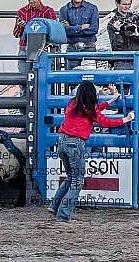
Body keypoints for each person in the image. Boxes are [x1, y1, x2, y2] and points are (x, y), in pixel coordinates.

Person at [47, 81, 134, 223]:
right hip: (75, 144)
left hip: (61, 141)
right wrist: (126, 119)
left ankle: (54, 205)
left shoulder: (72, 103)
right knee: (77, 180)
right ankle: (63, 215)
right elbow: (104, 121)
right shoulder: (89, 108)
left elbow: (92, 112)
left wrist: (109, 102)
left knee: (70, 177)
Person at [13, 0, 57, 78]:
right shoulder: (22, 12)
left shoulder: (48, 12)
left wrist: (28, 27)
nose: (31, 0)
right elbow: (16, 34)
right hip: (25, 49)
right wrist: (21, 27)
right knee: (24, 80)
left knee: (42, 79)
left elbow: (53, 33)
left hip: (42, 50)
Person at [59, 0, 99, 70]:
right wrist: (82, 27)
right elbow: (64, 31)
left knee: (90, 79)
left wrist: (71, 28)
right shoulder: (64, 10)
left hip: (88, 48)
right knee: (72, 80)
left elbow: (94, 29)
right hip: (73, 49)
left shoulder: (92, 8)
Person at [107, 0, 139, 70]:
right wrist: (117, 31)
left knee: (138, 82)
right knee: (121, 82)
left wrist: (137, 34)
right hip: (120, 61)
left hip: (135, 60)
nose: (127, 7)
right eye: (124, 4)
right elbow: (116, 47)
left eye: (129, 4)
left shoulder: (136, 19)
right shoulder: (112, 23)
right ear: (117, 4)